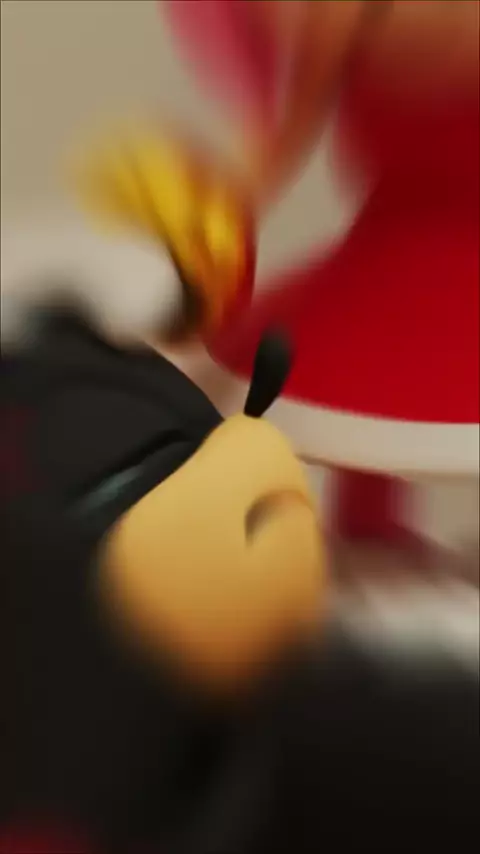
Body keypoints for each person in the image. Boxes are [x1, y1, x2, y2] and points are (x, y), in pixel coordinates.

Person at [164, 0, 480, 549]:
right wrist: (206, 220)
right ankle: (368, 535)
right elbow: (276, 145)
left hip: (442, 260)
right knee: (363, 385)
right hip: (385, 266)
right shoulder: (339, 17)